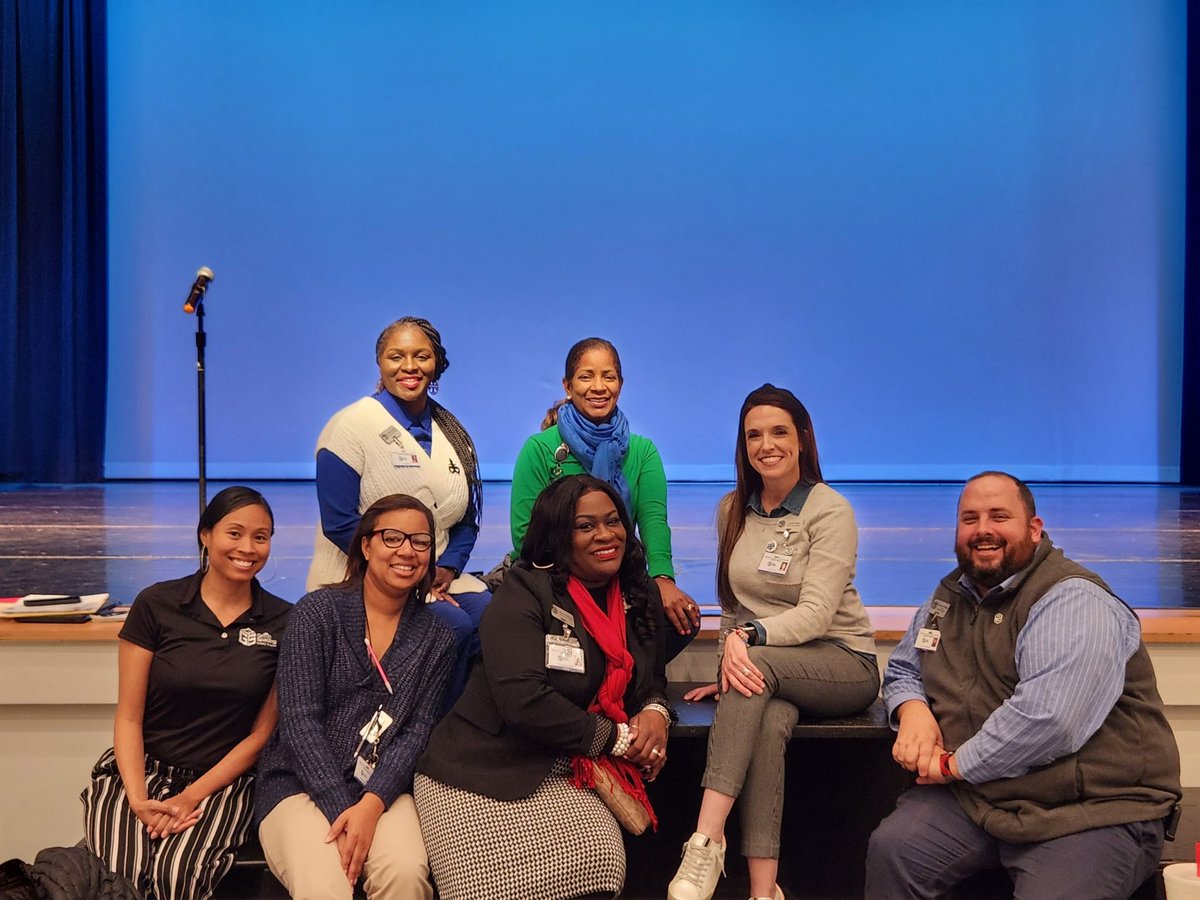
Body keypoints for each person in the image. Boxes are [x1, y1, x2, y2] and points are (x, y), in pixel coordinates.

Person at [865, 471, 1182, 900]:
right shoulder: (948, 596)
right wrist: (912, 711)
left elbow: (1050, 720)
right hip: (980, 799)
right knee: (894, 851)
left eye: (999, 517)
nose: (983, 530)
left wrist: (952, 766)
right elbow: (905, 668)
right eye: (970, 518)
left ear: (1034, 528)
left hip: (1090, 810)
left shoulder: (1073, 600)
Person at [415, 475, 673, 900]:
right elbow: (523, 700)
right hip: (479, 772)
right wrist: (619, 738)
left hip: (564, 768)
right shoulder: (523, 592)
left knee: (598, 862)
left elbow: (652, 679)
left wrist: (656, 712)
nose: (605, 535)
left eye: (613, 521)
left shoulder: (638, 591)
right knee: (490, 890)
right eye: (585, 526)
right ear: (558, 536)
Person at [668, 385, 880, 900]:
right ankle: (765, 892)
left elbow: (816, 615)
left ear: (803, 439)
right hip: (772, 667)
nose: (766, 445)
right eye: (754, 435)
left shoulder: (830, 510)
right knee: (765, 720)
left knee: (756, 667)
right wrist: (726, 667)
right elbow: (735, 606)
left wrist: (747, 640)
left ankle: (705, 839)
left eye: (779, 432)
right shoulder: (732, 509)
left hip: (842, 661)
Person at [81, 486, 291, 900]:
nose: (248, 548)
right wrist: (138, 799)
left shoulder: (285, 621)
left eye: (261, 537)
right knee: (119, 877)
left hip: (223, 785)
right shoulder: (157, 604)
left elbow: (261, 736)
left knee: (175, 877)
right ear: (205, 535)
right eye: (234, 533)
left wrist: (190, 796)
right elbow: (129, 717)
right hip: (140, 774)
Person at [255, 494, 456, 900]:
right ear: (366, 545)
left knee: (405, 874)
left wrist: (371, 804)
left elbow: (416, 734)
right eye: (392, 538)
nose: (407, 551)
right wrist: (340, 807)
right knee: (324, 884)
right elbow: (299, 721)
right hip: (297, 784)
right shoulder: (316, 613)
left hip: (381, 789)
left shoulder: (438, 637)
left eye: (420, 541)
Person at [308, 316, 488, 703]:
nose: (409, 366)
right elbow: (339, 522)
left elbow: (466, 519)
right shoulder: (350, 426)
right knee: (452, 625)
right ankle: (417, 725)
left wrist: (446, 568)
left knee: (491, 615)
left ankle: (463, 726)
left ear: (437, 363)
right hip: (364, 575)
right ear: (380, 363)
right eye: (396, 356)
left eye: (421, 356)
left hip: (432, 574)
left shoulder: (451, 431)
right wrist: (414, 572)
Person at [509, 337, 700, 659]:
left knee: (682, 618)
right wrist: (585, 581)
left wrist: (663, 579)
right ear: (568, 386)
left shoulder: (642, 451)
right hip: (555, 578)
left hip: (618, 574)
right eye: (586, 376)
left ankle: (629, 680)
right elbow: (524, 535)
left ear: (620, 385)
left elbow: (653, 521)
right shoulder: (539, 449)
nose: (598, 387)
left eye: (608, 376)